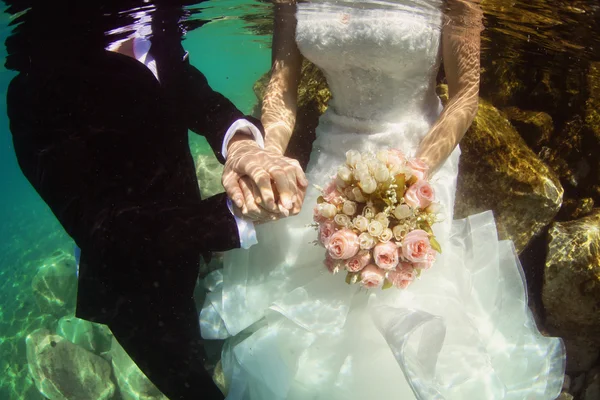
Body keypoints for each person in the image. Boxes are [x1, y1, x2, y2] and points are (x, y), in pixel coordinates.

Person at [200, 0, 566, 399]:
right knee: (315, 285)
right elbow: (281, 86)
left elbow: (465, 95)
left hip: (420, 152)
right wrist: (270, 155)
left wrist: (413, 174)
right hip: (334, 152)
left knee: (406, 296)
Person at [5, 1, 305, 399]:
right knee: (191, 385)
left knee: (200, 339)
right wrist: (230, 215)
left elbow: (195, 95)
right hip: (130, 285)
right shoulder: (36, 92)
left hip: (186, 252)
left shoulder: (155, 40)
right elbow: (101, 227)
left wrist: (241, 145)